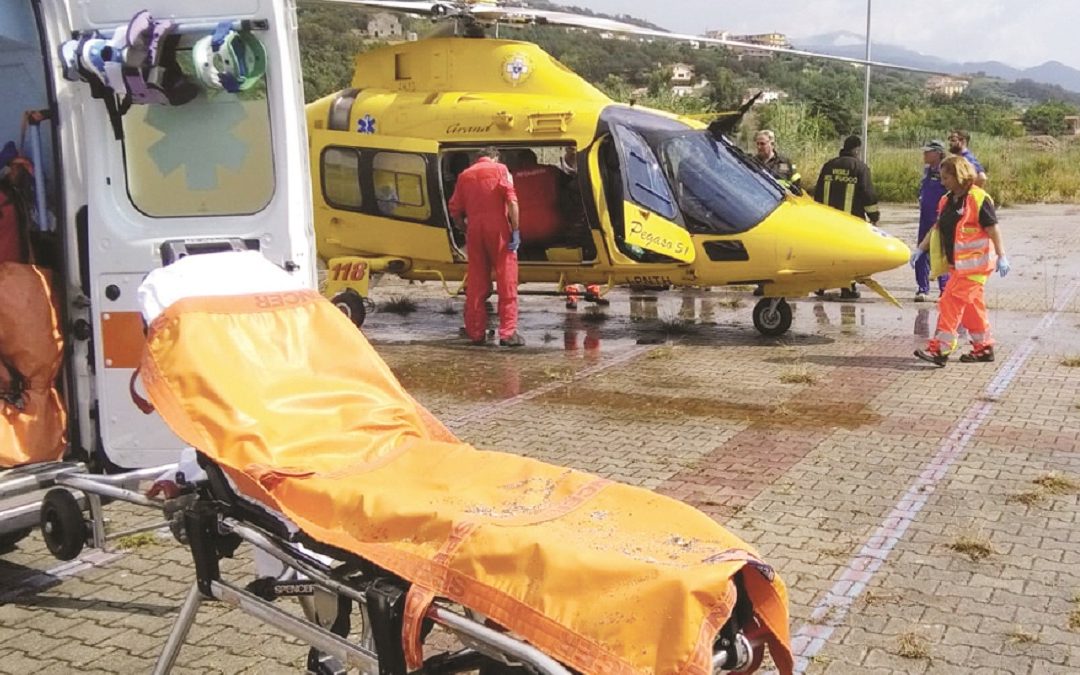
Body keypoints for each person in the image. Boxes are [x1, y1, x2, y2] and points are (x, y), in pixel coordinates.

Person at [912, 156, 1008, 366]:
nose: (943, 181)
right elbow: (937, 228)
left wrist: (1002, 255)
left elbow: (993, 228)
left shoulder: (979, 198)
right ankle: (983, 348)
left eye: (946, 177)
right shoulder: (947, 200)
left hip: (976, 267)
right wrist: (920, 249)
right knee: (973, 308)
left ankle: (941, 349)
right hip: (958, 267)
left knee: (949, 302)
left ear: (959, 176)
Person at [448, 147, 525, 347]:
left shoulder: (465, 175)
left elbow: (454, 210)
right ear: (495, 157)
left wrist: (466, 228)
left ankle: (476, 333)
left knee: (476, 283)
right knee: (507, 280)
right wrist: (515, 230)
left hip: (475, 229)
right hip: (498, 229)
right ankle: (508, 333)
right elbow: (512, 201)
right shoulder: (501, 170)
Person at [814, 134, 880, 300]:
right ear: (857, 149)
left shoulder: (828, 166)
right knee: (848, 256)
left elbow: (818, 192)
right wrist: (874, 216)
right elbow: (868, 194)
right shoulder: (860, 168)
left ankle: (820, 286)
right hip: (850, 223)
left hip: (827, 222)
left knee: (827, 254)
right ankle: (847, 288)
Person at [914, 140, 949, 302]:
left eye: (928, 152)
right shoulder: (927, 170)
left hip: (940, 218)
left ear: (937, 153)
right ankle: (922, 288)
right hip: (925, 217)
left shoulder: (946, 170)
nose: (925, 155)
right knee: (921, 252)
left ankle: (945, 290)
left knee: (941, 253)